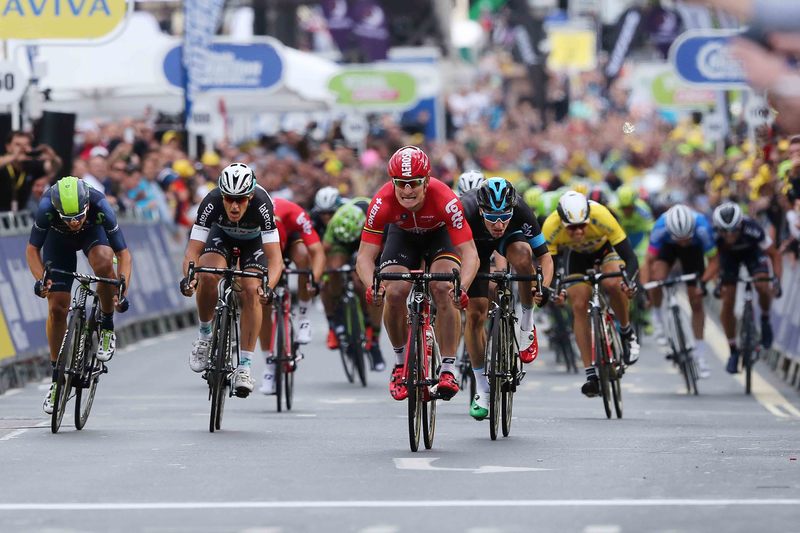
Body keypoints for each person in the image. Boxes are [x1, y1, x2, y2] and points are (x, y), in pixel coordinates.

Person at [356, 146, 479, 402]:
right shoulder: (382, 201)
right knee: (395, 289)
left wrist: (462, 288)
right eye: (401, 184)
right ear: (393, 182)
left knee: (444, 289)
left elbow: (471, 255)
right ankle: (400, 363)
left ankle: (447, 369)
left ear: (426, 182)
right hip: (402, 238)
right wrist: (372, 286)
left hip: (439, 236)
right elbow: (365, 258)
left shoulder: (445, 198)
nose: (407, 190)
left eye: (414, 183)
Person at [26, 176, 132, 414]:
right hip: (58, 241)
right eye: (68, 218)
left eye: (78, 217)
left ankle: (105, 325)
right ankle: (56, 379)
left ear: (86, 206)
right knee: (56, 307)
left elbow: (123, 254)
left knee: (105, 264)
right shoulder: (46, 208)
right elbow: (32, 249)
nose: (74, 223)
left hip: (92, 235)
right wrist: (40, 279)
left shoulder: (100, 205)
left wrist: (122, 287)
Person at [179, 163, 284, 397]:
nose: (234, 206)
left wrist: (268, 287)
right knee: (206, 274)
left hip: (253, 244)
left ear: (251, 196)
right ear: (221, 195)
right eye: (229, 199)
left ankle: (244, 367)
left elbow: (276, 259)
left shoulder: (263, 204)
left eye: (241, 200)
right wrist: (190, 278)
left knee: (252, 290)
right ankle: (205, 335)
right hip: (221, 237)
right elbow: (192, 252)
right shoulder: (211, 201)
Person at [461, 178, 553, 419]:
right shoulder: (464, 209)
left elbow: (545, 257)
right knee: (475, 313)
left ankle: (526, 322)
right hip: (475, 246)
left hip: (510, 242)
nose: (499, 223)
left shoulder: (521, 211)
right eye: (492, 217)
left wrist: (542, 287)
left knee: (524, 256)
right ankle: (482, 388)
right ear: (481, 210)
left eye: (505, 215)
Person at [542, 191, 640, 397]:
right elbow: (549, 268)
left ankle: (626, 332)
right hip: (575, 257)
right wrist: (553, 292)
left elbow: (631, 259)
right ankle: (590, 375)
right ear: (562, 222)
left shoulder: (601, 215)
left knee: (613, 284)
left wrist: (628, 283)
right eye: (572, 228)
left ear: (588, 218)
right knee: (578, 304)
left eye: (582, 226)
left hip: (604, 250)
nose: (578, 232)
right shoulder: (551, 227)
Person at [257, 197, 326, 394]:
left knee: (303, 256)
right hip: (265, 247)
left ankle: (304, 316)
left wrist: (314, 280)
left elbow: (317, 251)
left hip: (292, 238)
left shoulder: (294, 213)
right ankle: (269, 366)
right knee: (263, 304)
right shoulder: (255, 220)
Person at [647, 204, 719, 378]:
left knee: (696, 300)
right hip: (667, 249)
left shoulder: (702, 227)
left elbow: (714, 260)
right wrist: (647, 287)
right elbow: (649, 261)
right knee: (657, 278)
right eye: (679, 238)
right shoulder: (660, 227)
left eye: (685, 237)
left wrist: (702, 283)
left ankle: (700, 355)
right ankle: (657, 316)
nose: (682, 242)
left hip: (694, 252)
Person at [711, 202, 782, 373]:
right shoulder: (714, 236)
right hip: (729, 260)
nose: (729, 236)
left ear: (741, 224)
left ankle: (765, 320)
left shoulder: (753, 229)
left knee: (762, 284)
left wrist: (777, 280)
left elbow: (774, 254)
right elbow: (713, 261)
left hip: (753, 254)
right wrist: (717, 283)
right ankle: (733, 350)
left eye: (733, 230)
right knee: (728, 299)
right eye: (724, 231)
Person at [321, 197, 386, 371]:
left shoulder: (376, 215)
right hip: (342, 243)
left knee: (367, 284)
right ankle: (338, 312)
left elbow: (381, 251)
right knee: (333, 271)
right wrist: (325, 278)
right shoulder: (335, 223)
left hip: (367, 238)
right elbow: (324, 250)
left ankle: (374, 340)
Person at [0, 131, 61, 211]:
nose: (22, 148)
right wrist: (14, 156)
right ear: (8, 147)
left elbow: (54, 166)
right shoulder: (4, 164)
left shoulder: (30, 165)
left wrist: (52, 157)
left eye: (26, 145)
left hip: (19, 215)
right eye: (18, 145)